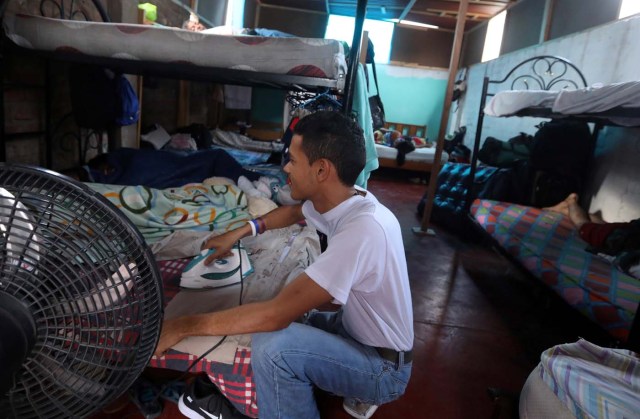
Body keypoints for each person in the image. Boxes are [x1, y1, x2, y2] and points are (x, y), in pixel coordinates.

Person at [154, 111, 414, 419]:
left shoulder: (363, 230)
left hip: (383, 369)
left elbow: (275, 316)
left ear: (321, 170)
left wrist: (183, 326)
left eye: (292, 159)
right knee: (287, 318)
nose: (286, 167)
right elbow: (294, 213)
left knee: (274, 344)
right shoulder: (348, 201)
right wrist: (239, 231)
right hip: (356, 333)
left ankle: (349, 391)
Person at [545, 193, 640, 278]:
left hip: (631, 231)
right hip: (628, 237)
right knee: (583, 226)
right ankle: (571, 202)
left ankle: (566, 209)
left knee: (603, 227)